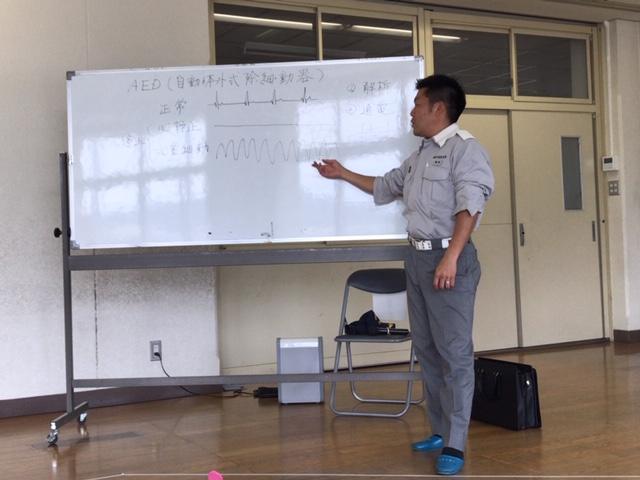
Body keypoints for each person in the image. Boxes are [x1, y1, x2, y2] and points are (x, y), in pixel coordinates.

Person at [312, 74, 494, 476]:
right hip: (418, 260)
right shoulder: (420, 155)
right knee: (427, 350)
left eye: (417, 104)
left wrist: (451, 257)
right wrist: (343, 173)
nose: (411, 112)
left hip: (449, 260)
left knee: (454, 354)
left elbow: (471, 206)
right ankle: (439, 430)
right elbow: (385, 186)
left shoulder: (466, 150)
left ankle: (456, 443)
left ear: (438, 108)